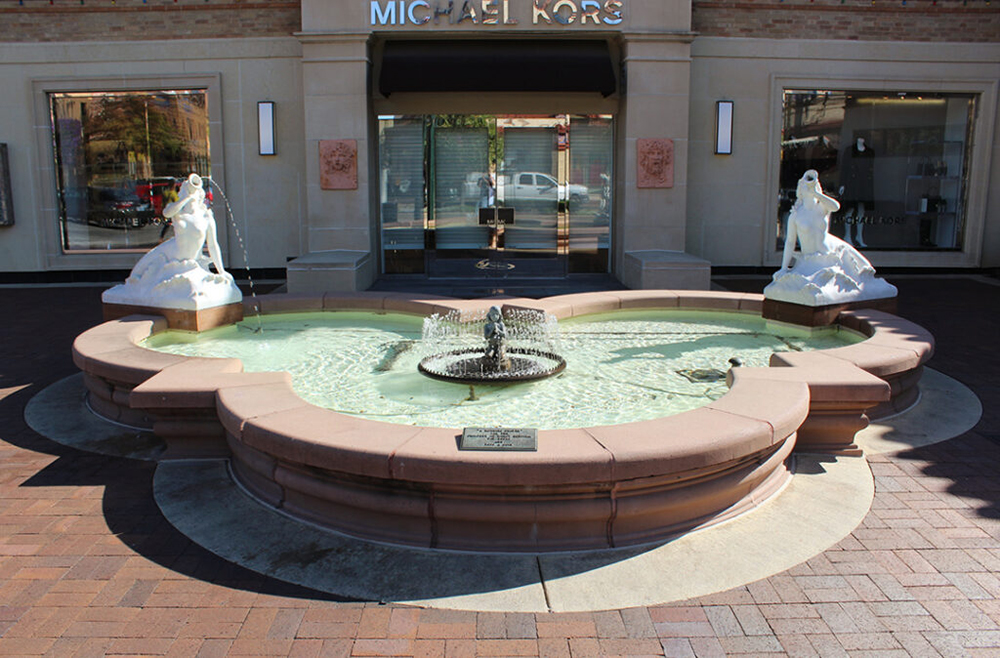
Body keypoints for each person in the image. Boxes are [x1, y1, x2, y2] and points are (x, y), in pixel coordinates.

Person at [128, 173, 231, 285]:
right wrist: (186, 199)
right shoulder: (178, 212)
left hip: (191, 260)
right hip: (170, 253)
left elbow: (212, 245)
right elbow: (166, 213)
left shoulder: (205, 216)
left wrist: (221, 271)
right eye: (187, 190)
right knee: (137, 272)